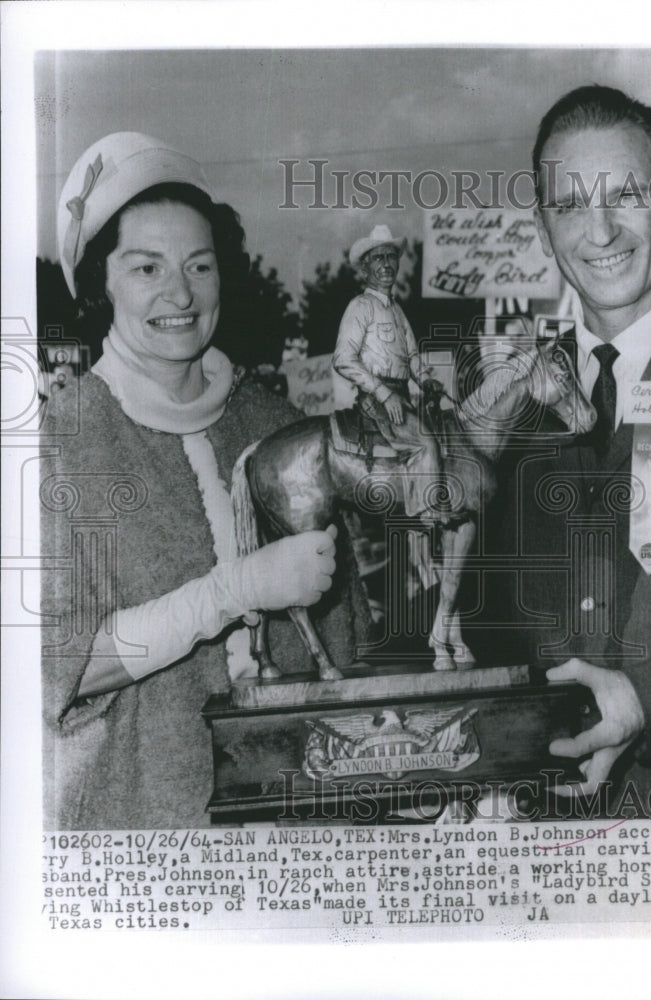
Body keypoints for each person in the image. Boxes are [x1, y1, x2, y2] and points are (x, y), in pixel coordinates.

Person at [41, 132, 370, 830]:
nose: (180, 294)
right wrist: (233, 591)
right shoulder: (60, 443)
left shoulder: (271, 418)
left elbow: (350, 643)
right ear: (100, 282)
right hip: (146, 826)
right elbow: (62, 667)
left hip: (303, 817)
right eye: (145, 268)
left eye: (198, 264)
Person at [489, 86, 651, 816]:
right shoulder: (509, 402)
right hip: (537, 835)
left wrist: (650, 699)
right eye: (569, 205)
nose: (599, 230)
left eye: (626, 194)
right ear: (543, 229)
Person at [333, 225, 447, 520]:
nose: (386, 265)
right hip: (378, 399)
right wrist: (384, 395)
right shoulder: (360, 307)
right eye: (378, 258)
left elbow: (411, 355)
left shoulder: (397, 310)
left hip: (403, 396)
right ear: (365, 267)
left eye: (391, 257)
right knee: (426, 443)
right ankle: (428, 516)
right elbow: (343, 359)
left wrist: (425, 379)